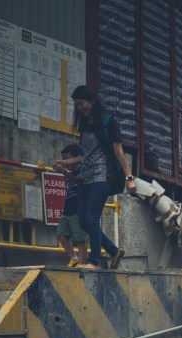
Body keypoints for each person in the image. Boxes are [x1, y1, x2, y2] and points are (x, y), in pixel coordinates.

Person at [56, 85, 134, 270]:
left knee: (91, 218)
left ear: (92, 101)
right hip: (86, 177)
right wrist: (65, 163)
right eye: (76, 105)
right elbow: (85, 156)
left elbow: (119, 152)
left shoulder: (109, 122)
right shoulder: (84, 126)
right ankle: (114, 251)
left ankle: (95, 261)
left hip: (102, 175)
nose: (79, 108)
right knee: (84, 222)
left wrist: (129, 177)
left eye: (81, 103)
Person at [53, 144, 89, 267]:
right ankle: (74, 258)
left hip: (78, 211)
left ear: (76, 158)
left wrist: (64, 172)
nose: (66, 163)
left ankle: (82, 263)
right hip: (67, 210)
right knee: (61, 234)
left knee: (79, 240)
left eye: (68, 160)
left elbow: (77, 181)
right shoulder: (69, 172)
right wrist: (60, 169)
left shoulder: (83, 171)